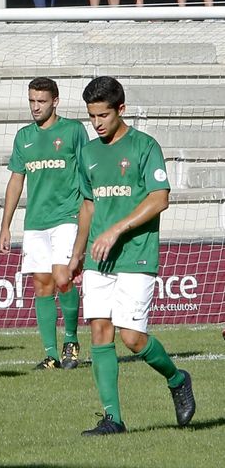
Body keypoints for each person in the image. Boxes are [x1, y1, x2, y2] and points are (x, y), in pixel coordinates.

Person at [69, 76, 196, 435]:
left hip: (136, 254)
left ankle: (176, 378)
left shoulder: (144, 147)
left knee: (132, 338)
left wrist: (117, 229)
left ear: (121, 109)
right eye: (92, 116)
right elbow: (89, 206)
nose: (97, 124)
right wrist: (76, 255)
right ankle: (113, 419)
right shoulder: (88, 152)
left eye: (103, 115)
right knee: (99, 332)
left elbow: (160, 199)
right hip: (98, 259)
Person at [0, 77, 86, 370]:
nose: (35, 107)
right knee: (42, 285)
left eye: (41, 101)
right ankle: (51, 354)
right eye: (32, 101)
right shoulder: (24, 136)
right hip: (36, 221)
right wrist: (5, 225)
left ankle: (71, 341)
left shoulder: (73, 131)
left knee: (63, 277)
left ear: (55, 101)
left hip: (67, 216)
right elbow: (15, 180)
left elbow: (88, 171)